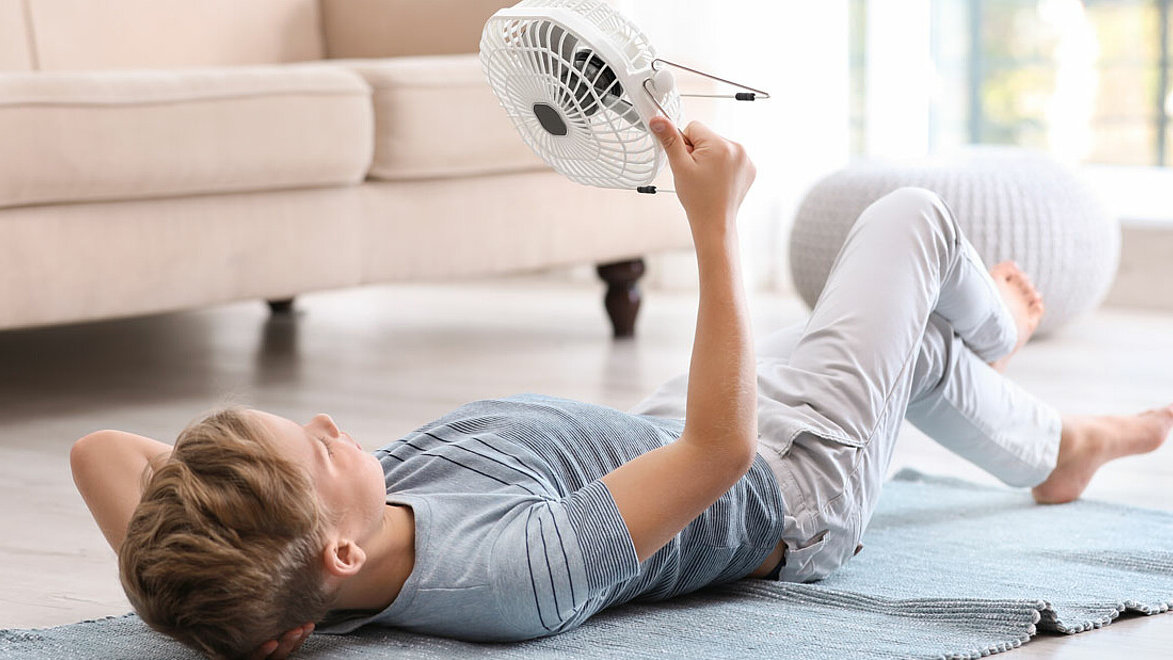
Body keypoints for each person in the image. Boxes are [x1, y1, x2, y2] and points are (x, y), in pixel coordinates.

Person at [71, 117, 1173, 660]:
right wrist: (713, 225)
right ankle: (1003, 326)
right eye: (318, 448)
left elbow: (98, 454)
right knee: (911, 224)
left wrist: (200, 596)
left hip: (642, 435)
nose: (327, 423)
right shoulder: (508, 576)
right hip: (789, 483)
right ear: (341, 556)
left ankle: (1060, 449)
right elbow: (716, 453)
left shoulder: (282, 570)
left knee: (905, 353)